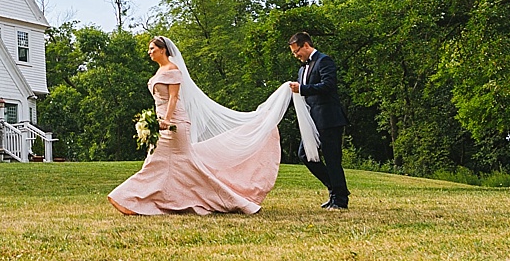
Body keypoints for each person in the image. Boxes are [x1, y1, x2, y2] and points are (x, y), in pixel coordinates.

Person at [108, 36, 307, 215]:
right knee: (164, 163)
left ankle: (128, 197)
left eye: (152, 48)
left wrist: (166, 120)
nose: (149, 52)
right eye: (149, 49)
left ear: (163, 50)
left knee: (168, 163)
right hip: (161, 124)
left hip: (174, 124)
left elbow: (174, 98)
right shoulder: (159, 71)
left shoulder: (172, 70)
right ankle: (147, 200)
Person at [288, 31, 350, 210]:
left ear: (306, 45)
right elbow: (303, 93)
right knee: (305, 155)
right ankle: (335, 189)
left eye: (296, 51)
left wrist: (303, 88)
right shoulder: (302, 70)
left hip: (329, 118)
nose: (295, 56)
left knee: (332, 159)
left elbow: (328, 85)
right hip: (312, 121)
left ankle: (340, 200)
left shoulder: (324, 61)